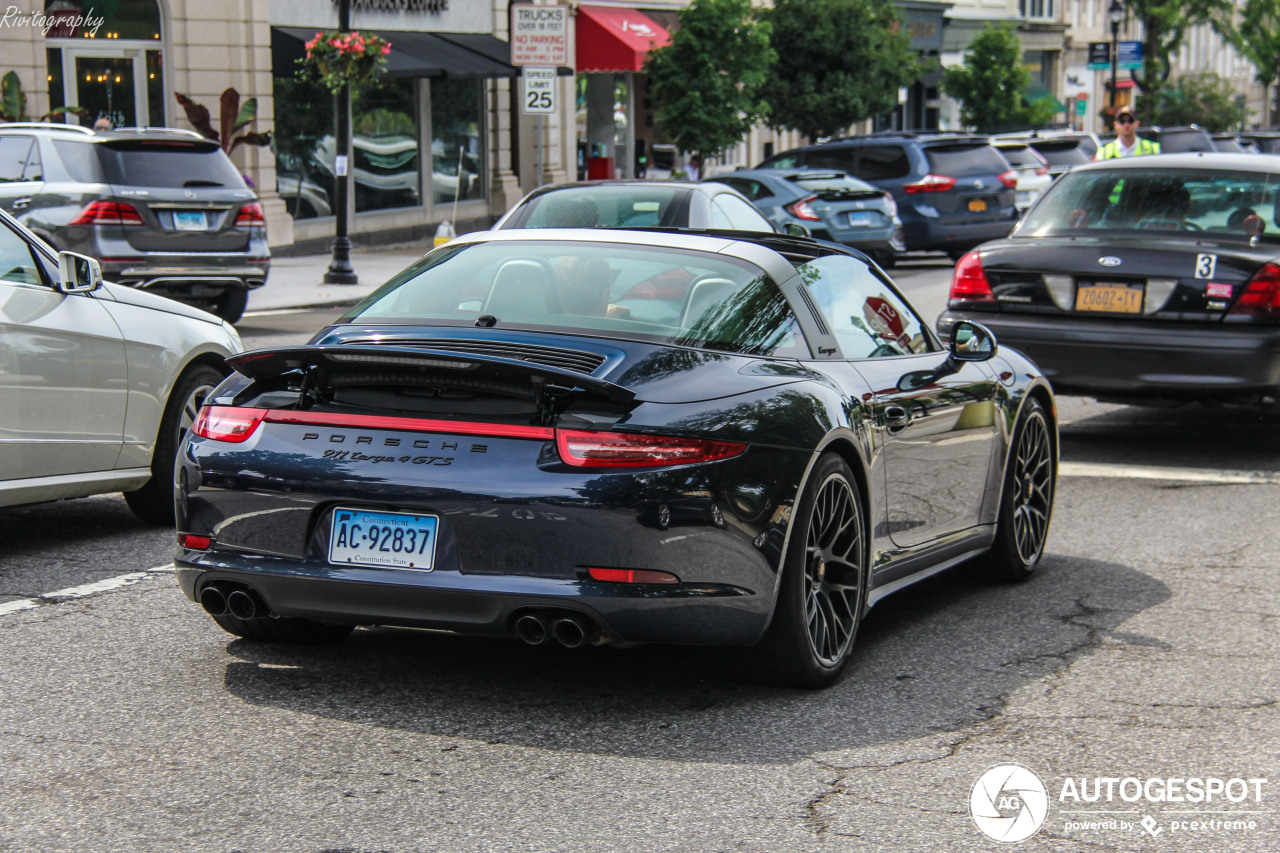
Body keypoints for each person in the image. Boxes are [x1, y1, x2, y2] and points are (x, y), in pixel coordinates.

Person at [1095, 105, 1160, 159]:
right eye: (1122, 121)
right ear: (1116, 125)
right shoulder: (1104, 152)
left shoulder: (1153, 149)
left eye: (1130, 120)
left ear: (1137, 123)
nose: (1126, 125)